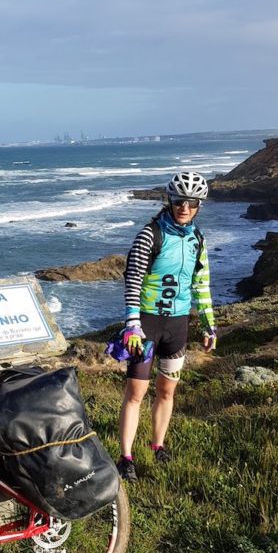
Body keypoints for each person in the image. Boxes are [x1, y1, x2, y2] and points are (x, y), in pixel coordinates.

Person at [114, 171, 217, 481]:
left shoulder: (198, 239)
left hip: (178, 326)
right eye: (178, 201)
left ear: (199, 205)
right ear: (169, 201)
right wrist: (132, 323)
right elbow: (132, 279)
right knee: (135, 392)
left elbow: (201, 284)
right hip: (146, 325)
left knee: (167, 391)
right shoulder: (150, 234)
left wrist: (209, 326)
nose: (184, 207)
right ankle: (126, 457)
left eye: (191, 202)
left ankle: (158, 446)